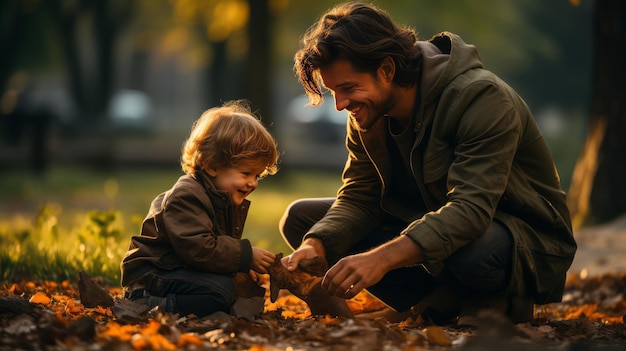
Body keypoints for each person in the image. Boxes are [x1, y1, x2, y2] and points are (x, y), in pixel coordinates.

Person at [280, 2, 576, 325]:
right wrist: (316, 244)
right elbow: (359, 198)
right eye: (333, 92)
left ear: (387, 70)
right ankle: (439, 302)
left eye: (348, 88)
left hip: (522, 241)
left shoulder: (481, 98)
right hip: (434, 226)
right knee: (302, 221)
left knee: (472, 249)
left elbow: (471, 210)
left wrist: (380, 259)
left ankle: (499, 298)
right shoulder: (368, 113)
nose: (340, 105)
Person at [121, 100, 279, 317]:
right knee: (221, 291)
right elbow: (199, 249)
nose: (253, 183)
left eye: (257, 175)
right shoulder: (187, 196)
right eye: (246, 174)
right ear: (212, 165)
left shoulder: (221, 196)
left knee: (232, 287)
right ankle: (150, 304)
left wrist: (239, 267)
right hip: (154, 273)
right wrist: (245, 256)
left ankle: (202, 306)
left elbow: (212, 252)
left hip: (179, 269)